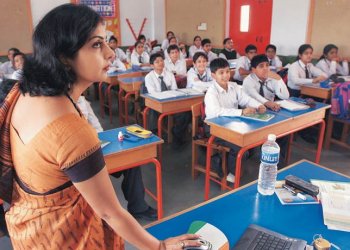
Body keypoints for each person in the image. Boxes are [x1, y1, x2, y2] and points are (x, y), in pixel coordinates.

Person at [0, 4, 200, 249]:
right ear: (63, 55)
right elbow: (109, 212)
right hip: (62, 237)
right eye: (96, 44)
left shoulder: (23, 93)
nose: (111, 54)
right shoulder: (69, 129)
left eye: (105, 43)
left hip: (28, 229)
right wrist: (160, 246)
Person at [77, 96, 157, 220]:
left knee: (132, 161)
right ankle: (97, 216)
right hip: (79, 155)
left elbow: (97, 126)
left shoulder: (82, 100)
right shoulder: (60, 106)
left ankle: (138, 208)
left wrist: (99, 140)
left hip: (96, 145)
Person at [205, 58, 266, 182]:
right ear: (213, 75)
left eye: (227, 71)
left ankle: (233, 164)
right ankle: (232, 173)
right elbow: (216, 112)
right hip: (214, 127)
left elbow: (246, 99)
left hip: (232, 123)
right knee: (239, 145)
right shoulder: (211, 92)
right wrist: (241, 112)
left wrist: (258, 105)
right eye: (221, 73)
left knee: (253, 142)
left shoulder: (234, 86)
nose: (225, 75)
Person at [242, 55, 290, 164]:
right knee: (266, 133)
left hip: (270, 113)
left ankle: (279, 163)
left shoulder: (272, 78)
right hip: (251, 114)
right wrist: (268, 103)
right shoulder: (248, 81)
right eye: (261, 66)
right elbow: (255, 96)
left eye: (267, 65)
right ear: (253, 70)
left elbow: (285, 96)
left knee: (284, 132)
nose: (265, 69)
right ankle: (264, 158)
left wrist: (279, 79)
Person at [145, 53, 191, 149]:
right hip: (157, 103)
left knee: (186, 113)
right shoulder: (149, 77)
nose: (160, 63)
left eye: (161, 60)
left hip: (171, 102)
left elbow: (174, 90)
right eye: (157, 62)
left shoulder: (169, 74)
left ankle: (177, 133)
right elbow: (153, 94)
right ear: (152, 65)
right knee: (153, 112)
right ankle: (153, 139)